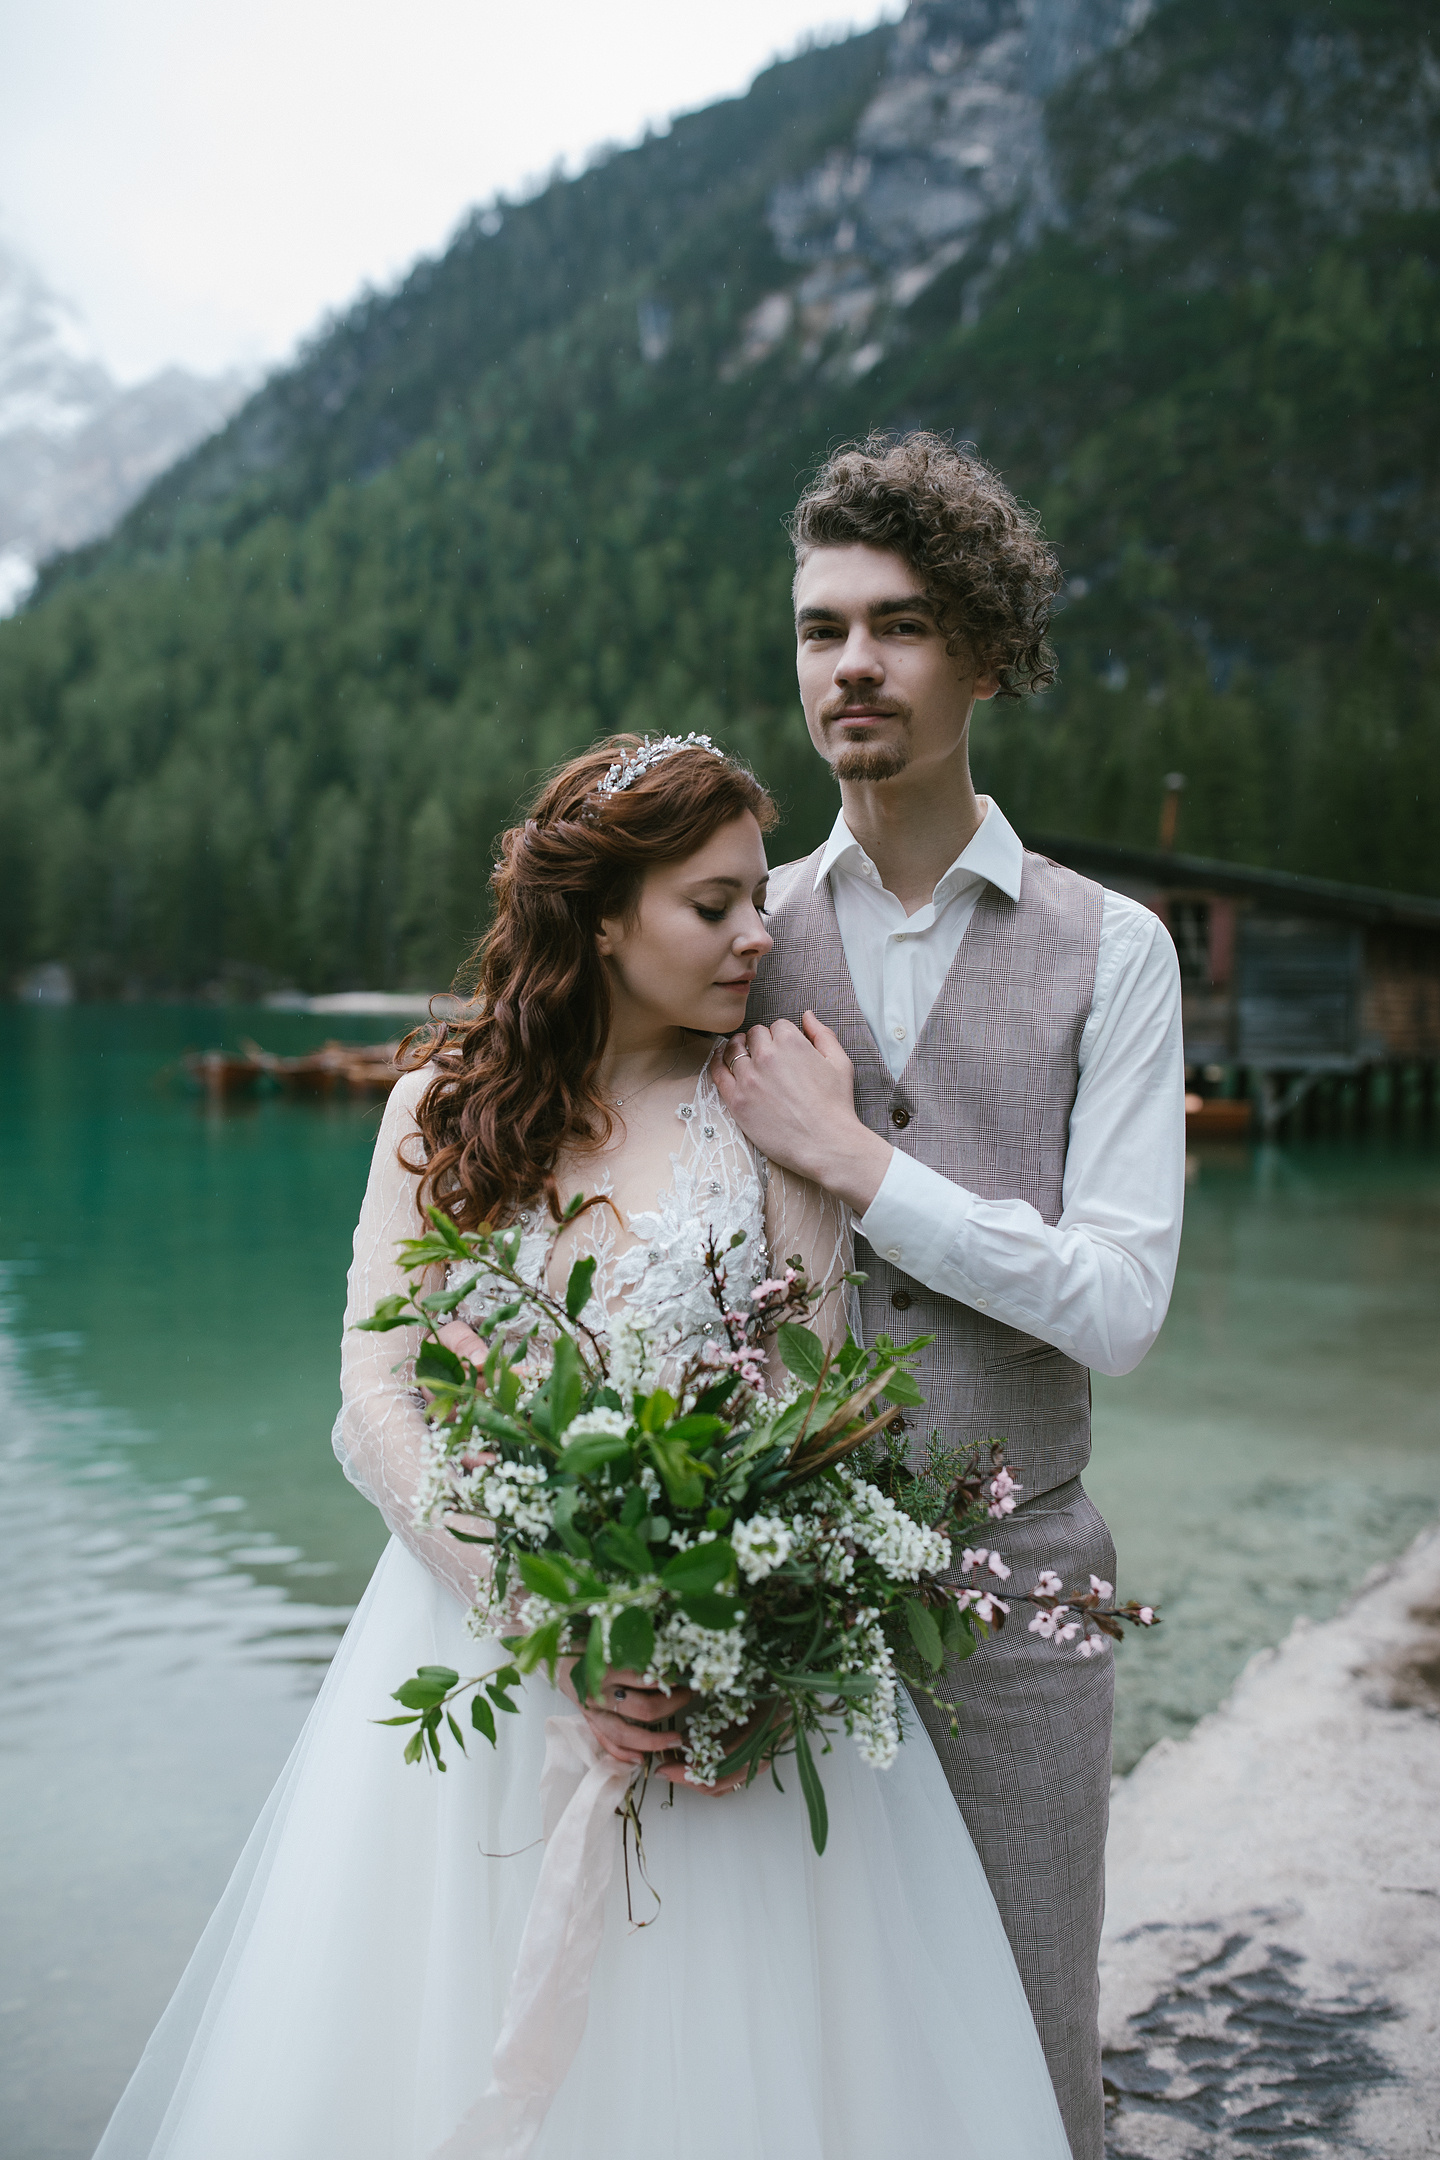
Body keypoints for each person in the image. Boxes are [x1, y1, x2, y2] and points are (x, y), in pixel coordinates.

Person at [93, 734, 1073, 2160]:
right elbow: (376, 1393)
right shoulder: (440, 1110)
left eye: (759, 901)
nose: (758, 935)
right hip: (487, 1649)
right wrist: (550, 1616)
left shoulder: (771, 1111)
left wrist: (745, 1647)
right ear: (601, 918)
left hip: (714, 1683)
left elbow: (820, 1399)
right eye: (713, 905)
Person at [717, 433, 1186, 2160]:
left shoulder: (1109, 948)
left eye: (900, 626)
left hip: (1024, 1596)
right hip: (766, 1592)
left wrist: (862, 1168)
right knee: (790, 2055)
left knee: (1025, 2050)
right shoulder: (738, 932)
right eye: (821, 627)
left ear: (986, 653)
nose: (851, 664)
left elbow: (1120, 1309)